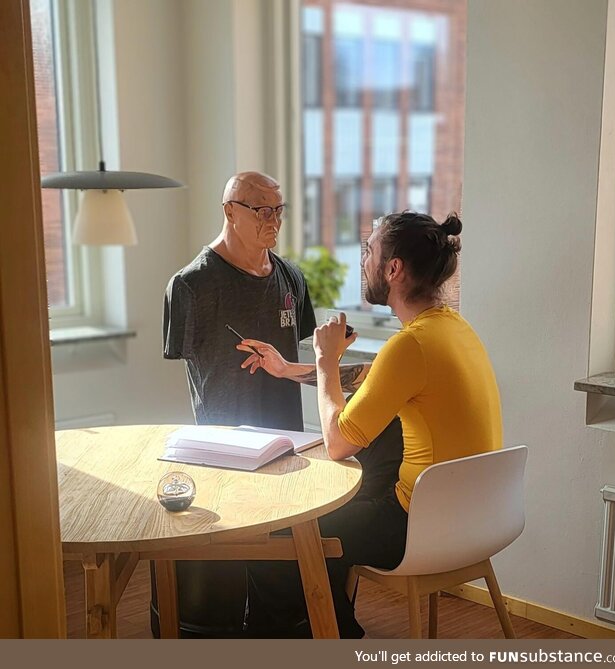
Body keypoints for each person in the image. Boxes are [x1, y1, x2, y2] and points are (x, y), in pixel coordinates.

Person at [237, 211, 503, 638]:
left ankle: (326, 638)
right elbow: (372, 378)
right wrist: (289, 369)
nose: (364, 261)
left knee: (281, 537)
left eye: (369, 251)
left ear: (393, 269)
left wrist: (326, 359)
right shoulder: (452, 329)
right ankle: (321, 629)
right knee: (335, 514)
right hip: (475, 519)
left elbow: (340, 442)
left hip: (418, 525)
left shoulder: (411, 343)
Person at [159, 171, 317, 638]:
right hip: (223, 448)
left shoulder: (291, 276)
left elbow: (299, 355)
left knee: (280, 559)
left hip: (286, 440)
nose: (273, 219)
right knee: (226, 564)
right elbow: (188, 364)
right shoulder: (191, 286)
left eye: (278, 209)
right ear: (230, 210)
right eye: (261, 208)